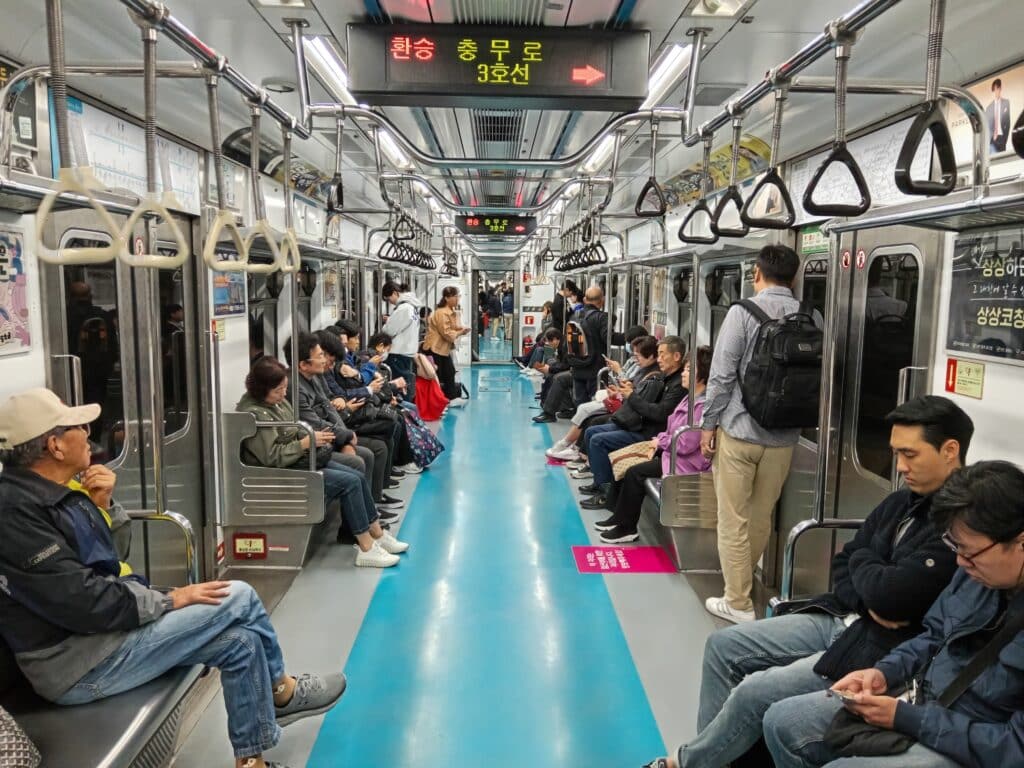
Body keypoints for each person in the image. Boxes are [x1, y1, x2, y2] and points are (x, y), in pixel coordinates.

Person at [0, 388, 346, 768]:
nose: (87, 430)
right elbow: (83, 602)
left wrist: (104, 508)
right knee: (240, 595)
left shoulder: (63, 491)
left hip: (100, 635)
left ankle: (251, 762)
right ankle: (282, 692)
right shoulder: (16, 514)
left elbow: (111, 562)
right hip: (77, 664)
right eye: (77, 426)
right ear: (55, 445)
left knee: (242, 642)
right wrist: (169, 600)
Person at [640, 395, 971, 768]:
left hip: (877, 642)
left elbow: (890, 596)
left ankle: (687, 763)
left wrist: (867, 574)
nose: (900, 466)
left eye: (910, 454)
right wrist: (869, 586)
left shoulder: (961, 526)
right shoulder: (900, 502)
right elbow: (844, 565)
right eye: (896, 454)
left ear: (950, 450)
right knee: (722, 646)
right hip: (849, 617)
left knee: (758, 695)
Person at [764, 459, 1024, 768]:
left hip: (973, 742)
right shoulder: (975, 574)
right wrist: (885, 673)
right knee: (782, 721)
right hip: (926, 702)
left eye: (970, 553)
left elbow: (1014, 748)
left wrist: (909, 719)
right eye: (957, 549)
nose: (960, 564)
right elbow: (934, 637)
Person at [699, 244, 803, 623]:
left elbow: (722, 374)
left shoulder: (743, 312)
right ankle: (745, 583)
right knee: (761, 517)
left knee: (733, 518)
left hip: (741, 431)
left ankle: (738, 601)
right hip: (785, 437)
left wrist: (708, 424)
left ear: (756, 274)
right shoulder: (811, 315)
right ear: (793, 277)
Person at [236, 358, 407, 565]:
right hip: (283, 471)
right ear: (263, 389)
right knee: (349, 482)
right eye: (278, 390)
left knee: (357, 475)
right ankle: (366, 546)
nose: (283, 395)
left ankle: (377, 533)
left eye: (284, 389)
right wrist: (305, 443)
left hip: (299, 460)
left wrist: (313, 437)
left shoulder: (276, 402)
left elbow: (293, 428)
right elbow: (271, 457)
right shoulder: (254, 414)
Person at [595, 346, 712, 544]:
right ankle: (618, 516)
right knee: (624, 459)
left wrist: (661, 441)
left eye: (689, 370)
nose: (683, 373)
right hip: (670, 454)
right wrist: (661, 439)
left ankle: (627, 527)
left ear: (703, 375)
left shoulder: (701, 406)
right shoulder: (688, 398)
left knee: (635, 472)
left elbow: (684, 444)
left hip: (683, 463)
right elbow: (672, 428)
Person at [283, 333, 399, 516]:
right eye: (320, 356)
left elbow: (328, 407)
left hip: (334, 432)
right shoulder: (293, 387)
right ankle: (359, 524)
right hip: (316, 444)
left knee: (380, 439)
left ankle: (369, 513)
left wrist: (346, 437)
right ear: (303, 364)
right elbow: (313, 421)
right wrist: (344, 436)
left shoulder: (314, 377)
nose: (324, 361)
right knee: (366, 455)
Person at [577, 336, 686, 510]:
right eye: (658, 354)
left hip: (649, 432)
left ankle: (606, 492)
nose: (659, 359)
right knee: (592, 431)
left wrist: (631, 396)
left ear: (676, 356)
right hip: (640, 423)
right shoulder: (664, 378)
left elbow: (659, 413)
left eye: (662, 355)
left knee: (598, 440)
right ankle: (601, 483)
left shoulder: (677, 385)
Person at [545, 327, 653, 459]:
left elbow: (629, 385)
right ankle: (571, 445)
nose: (630, 348)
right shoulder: (633, 361)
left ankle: (569, 445)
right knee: (586, 406)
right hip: (620, 395)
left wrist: (618, 371)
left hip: (625, 401)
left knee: (586, 411)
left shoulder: (648, 372)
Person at [567, 286, 626, 406]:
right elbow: (610, 338)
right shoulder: (602, 317)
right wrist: (629, 336)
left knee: (580, 403)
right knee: (596, 403)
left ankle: (580, 423)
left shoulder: (575, 316)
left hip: (577, 365)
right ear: (602, 300)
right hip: (595, 369)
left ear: (584, 299)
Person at [423, 286, 470, 403]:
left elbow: (451, 327)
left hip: (442, 349)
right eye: (455, 297)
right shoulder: (442, 313)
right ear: (447, 298)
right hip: (435, 349)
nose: (457, 299)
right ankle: (439, 401)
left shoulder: (449, 312)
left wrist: (461, 328)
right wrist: (461, 332)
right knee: (439, 376)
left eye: (458, 296)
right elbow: (446, 333)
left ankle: (450, 398)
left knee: (449, 372)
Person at [382, 282, 422, 403]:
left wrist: (387, 323)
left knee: (399, 386)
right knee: (406, 383)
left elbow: (389, 331)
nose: (391, 302)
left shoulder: (404, 308)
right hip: (407, 352)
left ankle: (403, 411)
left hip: (398, 353)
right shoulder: (412, 307)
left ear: (395, 293)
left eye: (389, 299)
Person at [987, 78, 1011, 153]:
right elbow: (987, 125)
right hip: (992, 139)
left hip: (1002, 138)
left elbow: (1008, 122)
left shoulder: (1006, 103)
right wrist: (990, 139)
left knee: (1002, 161)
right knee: (993, 162)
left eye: (998, 88)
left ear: (1000, 89)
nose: (996, 91)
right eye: (994, 89)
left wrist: (1005, 138)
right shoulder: (989, 107)